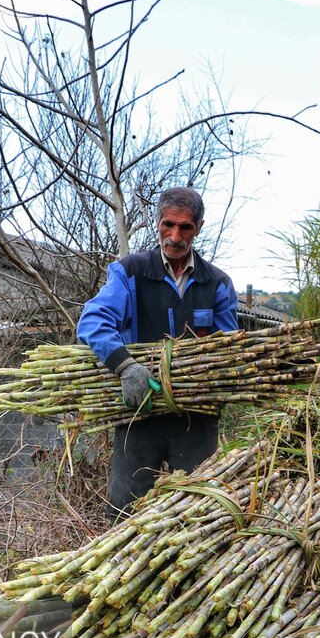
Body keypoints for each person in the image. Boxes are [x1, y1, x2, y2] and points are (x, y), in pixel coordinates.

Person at [77, 187, 239, 519]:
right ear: (157, 223)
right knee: (125, 512)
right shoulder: (131, 272)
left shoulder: (216, 283)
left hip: (196, 414)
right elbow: (93, 321)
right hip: (139, 411)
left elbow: (229, 349)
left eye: (186, 228)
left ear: (200, 227)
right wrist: (125, 367)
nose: (175, 236)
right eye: (168, 225)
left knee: (195, 514)